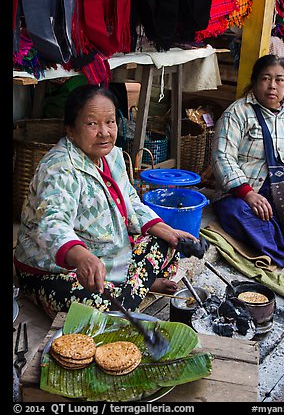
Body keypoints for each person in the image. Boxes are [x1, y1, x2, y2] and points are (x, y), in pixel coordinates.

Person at [14, 84, 197, 319]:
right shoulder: (60, 167)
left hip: (109, 255)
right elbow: (53, 223)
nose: (104, 132)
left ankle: (130, 290)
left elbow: (130, 198)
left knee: (168, 244)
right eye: (92, 123)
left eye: (110, 122)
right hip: (56, 269)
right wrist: (82, 257)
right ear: (70, 129)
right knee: (93, 308)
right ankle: (135, 288)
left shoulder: (113, 155)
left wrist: (166, 230)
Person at [211, 54, 284, 268]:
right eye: (266, 78)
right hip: (248, 193)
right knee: (236, 214)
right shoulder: (237, 114)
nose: (272, 86)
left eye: (279, 79)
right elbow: (223, 157)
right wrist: (248, 194)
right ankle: (279, 247)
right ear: (255, 81)